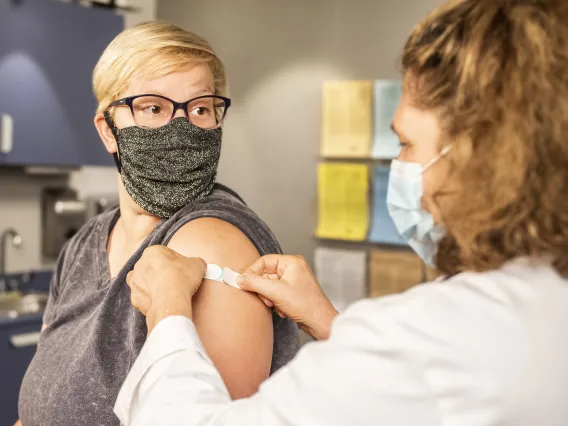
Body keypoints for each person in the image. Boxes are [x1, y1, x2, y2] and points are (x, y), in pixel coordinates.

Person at [114, 0, 568, 425]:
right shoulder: (532, 308)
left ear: (483, 156)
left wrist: (170, 312)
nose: (400, 169)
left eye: (407, 144)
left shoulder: (431, 339)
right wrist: (327, 320)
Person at [15, 22, 299, 426]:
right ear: (108, 130)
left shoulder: (213, 242)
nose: (180, 127)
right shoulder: (83, 246)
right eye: (153, 108)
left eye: (200, 108)